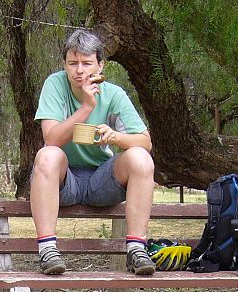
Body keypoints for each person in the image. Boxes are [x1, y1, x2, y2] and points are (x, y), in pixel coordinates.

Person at [30, 28, 156, 276]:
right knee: (47, 155)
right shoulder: (55, 85)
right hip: (64, 182)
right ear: (64, 65)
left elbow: (145, 142)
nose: (79, 70)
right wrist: (87, 107)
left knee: (140, 157)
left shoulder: (114, 94)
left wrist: (115, 136)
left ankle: (137, 249)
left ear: (100, 66)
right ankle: (47, 251)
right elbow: (51, 138)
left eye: (87, 63)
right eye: (72, 63)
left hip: (102, 182)